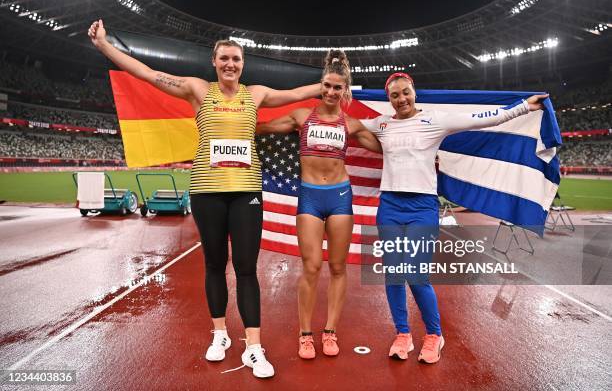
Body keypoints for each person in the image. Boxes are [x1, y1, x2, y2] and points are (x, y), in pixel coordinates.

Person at [88, 19, 321, 378]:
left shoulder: (254, 94)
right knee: (214, 264)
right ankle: (220, 335)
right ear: (214, 62)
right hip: (207, 190)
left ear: (243, 64)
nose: (231, 64)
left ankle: (255, 348)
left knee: (246, 268)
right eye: (224, 58)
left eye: (236, 59)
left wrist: (325, 85)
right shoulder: (198, 89)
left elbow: (295, 95)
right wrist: (105, 46)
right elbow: (150, 75)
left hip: (246, 191)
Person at [362, 72, 548, 363]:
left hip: (421, 206)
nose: (401, 99)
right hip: (389, 206)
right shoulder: (381, 124)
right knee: (393, 275)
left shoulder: (435, 120)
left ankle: (434, 335)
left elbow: (485, 118)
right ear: (389, 99)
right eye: (395, 95)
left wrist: (525, 106)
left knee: (415, 273)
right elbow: (343, 123)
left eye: (406, 92)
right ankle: (403, 334)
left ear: (414, 92)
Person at [256, 50, 381, 359]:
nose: (330, 92)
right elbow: (264, 128)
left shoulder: (350, 124)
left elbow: (387, 150)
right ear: (320, 85)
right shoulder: (302, 117)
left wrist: (420, 153)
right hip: (310, 197)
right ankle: (305, 334)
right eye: (326, 85)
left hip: (340, 197)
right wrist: (229, 124)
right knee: (311, 267)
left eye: (337, 87)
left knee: (338, 267)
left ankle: (330, 331)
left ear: (345, 90)